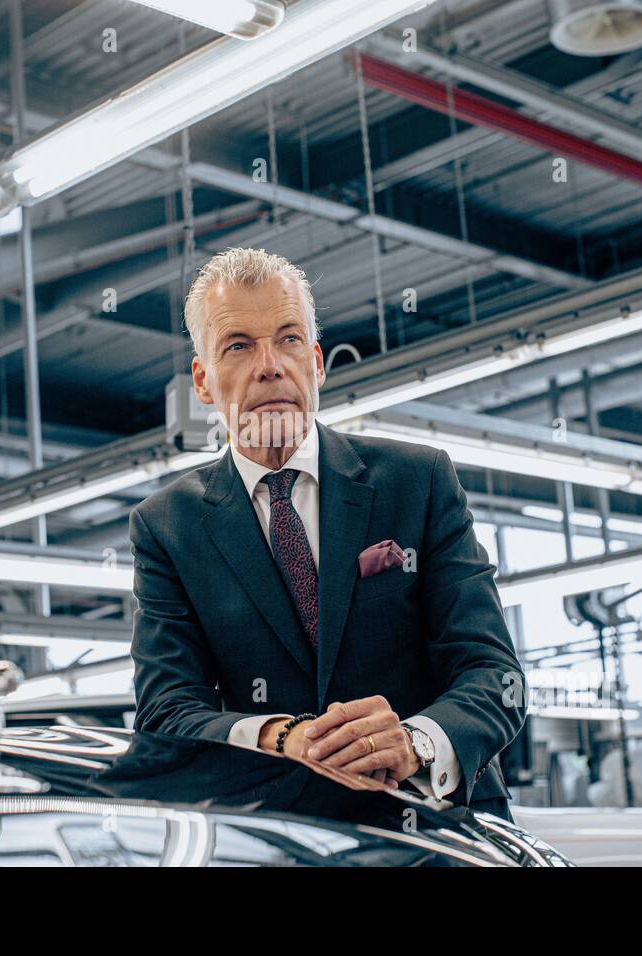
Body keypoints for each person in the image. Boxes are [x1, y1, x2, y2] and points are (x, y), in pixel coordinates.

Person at [128, 247, 525, 819]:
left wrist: (415, 742)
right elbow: (166, 712)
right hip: (281, 840)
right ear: (204, 382)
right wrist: (280, 737)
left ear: (316, 362)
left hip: (443, 831)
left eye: (289, 339)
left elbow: (495, 673)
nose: (269, 365)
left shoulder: (418, 481)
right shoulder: (167, 527)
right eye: (238, 345)